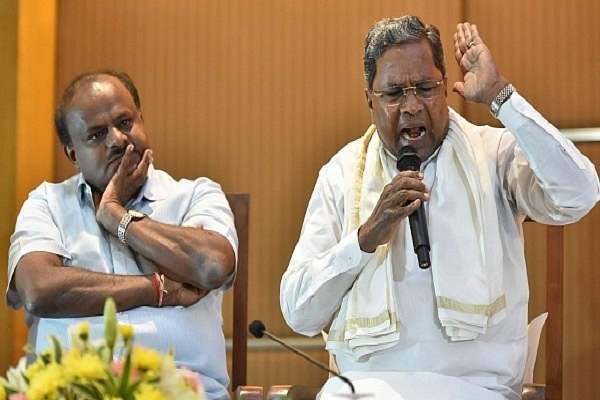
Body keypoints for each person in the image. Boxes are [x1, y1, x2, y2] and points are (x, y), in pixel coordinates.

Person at [280, 15, 599, 400]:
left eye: (426, 87)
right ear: (369, 99)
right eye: (394, 92)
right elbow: (299, 312)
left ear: (446, 89)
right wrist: (364, 239)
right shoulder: (342, 173)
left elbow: (580, 194)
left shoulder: (493, 154)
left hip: (474, 388)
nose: (412, 106)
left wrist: (500, 95)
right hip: (365, 391)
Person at [6, 70, 237, 400]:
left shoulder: (196, 195)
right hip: (74, 391)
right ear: (72, 153)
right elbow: (39, 290)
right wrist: (156, 288)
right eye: (97, 135)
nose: (117, 139)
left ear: (142, 120)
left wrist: (117, 215)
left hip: (181, 391)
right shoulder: (47, 203)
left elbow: (212, 266)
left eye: (125, 123)